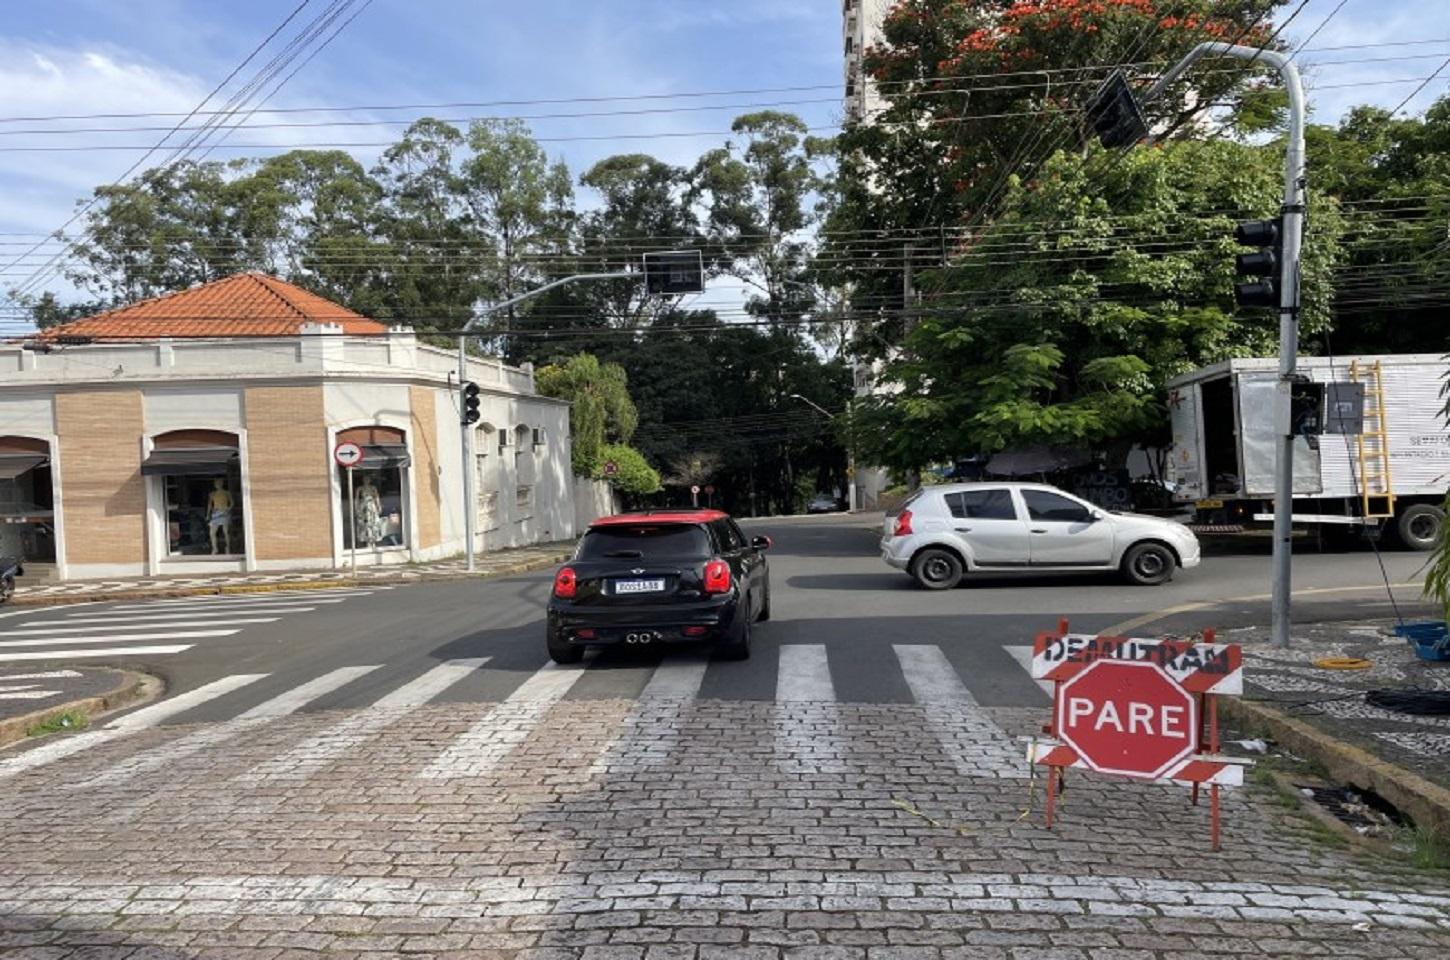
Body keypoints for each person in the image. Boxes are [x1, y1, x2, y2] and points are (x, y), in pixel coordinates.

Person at [355, 476, 383, 547]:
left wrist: (378, 506)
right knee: (364, 523)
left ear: (370, 480)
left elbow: (376, 497)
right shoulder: (360, 488)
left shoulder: (373, 488)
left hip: (371, 506)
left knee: (373, 522)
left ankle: (373, 539)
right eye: (365, 479)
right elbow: (357, 499)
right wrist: (357, 508)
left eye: (368, 479)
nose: (366, 481)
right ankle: (366, 540)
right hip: (363, 506)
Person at [207, 478, 233, 555]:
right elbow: (209, 505)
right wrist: (208, 514)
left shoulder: (227, 493)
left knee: (226, 532)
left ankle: (228, 547)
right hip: (215, 513)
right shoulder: (212, 494)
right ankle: (214, 548)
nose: (218, 484)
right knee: (212, 532)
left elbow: (231, 503)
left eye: (219, 483)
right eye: (216, 483)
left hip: (224, 512)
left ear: (222, 483)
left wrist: (228, 509)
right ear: (214, 485)